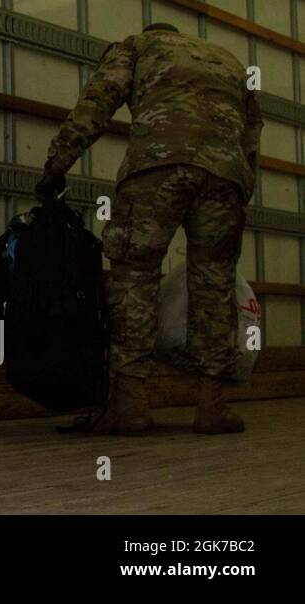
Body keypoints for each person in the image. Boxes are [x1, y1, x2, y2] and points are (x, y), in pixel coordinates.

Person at [36, 22, 262, 435]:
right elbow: (251, 137)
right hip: (224, 176)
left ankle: (129, 406)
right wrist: (239, 187)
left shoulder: (136, 46)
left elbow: (96, 104)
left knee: (134, 276)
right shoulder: (228, 61)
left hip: (157, 166)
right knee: (214, 283)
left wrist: (56, 165)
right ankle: (212, 406)